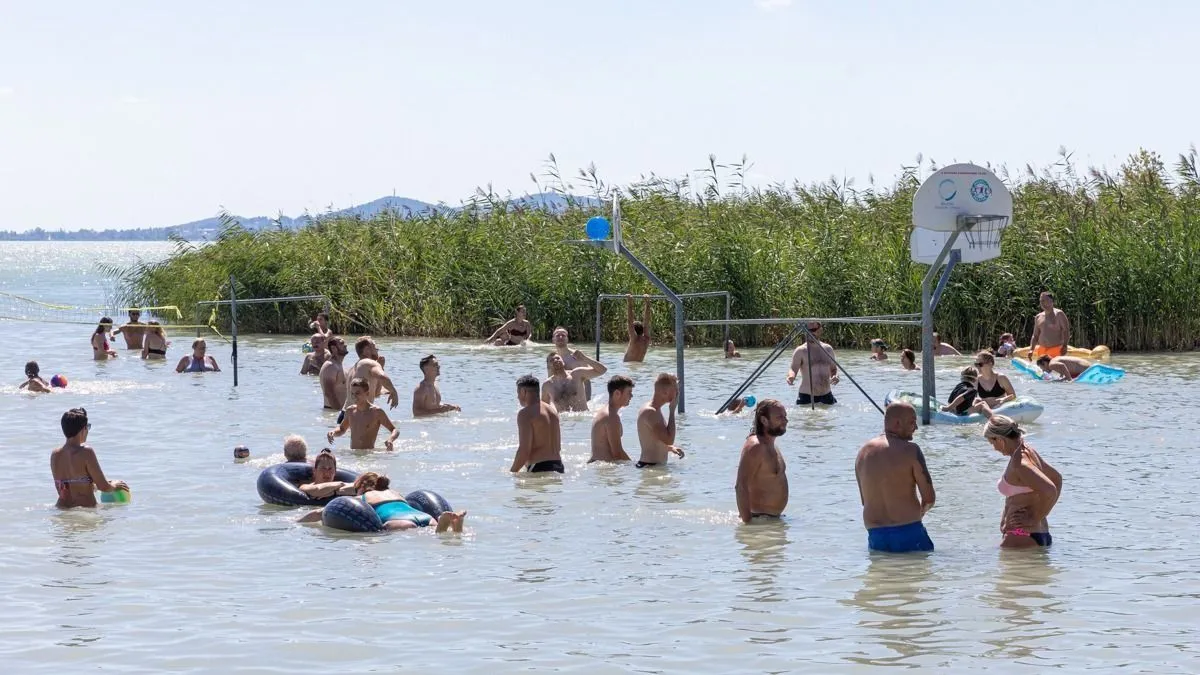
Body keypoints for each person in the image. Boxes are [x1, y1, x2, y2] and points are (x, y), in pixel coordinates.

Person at [854, 402, 935, 552]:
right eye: (912, 422)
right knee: (917, 574)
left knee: (885, 574)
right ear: (897, 423)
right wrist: (919, 514)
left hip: (876, 535)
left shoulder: (862, 454)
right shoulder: (911, 450)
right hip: (909, 530)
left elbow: (865, 501)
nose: (916, 427)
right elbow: (929, 499)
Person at [984, 415, 1062, 548]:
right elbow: (1057, 479)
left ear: (1000, 439)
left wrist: (1033, 518)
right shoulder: (1027, 451)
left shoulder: (1020, 464)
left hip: (1020, 535)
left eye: (992, 443)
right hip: (1037, 533)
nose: (994, 448)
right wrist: (1038, 515)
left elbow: (1050, 490)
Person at [299, 471, 466, 532]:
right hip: (424, 516)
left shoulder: (363, 498)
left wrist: (297, 521)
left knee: (385, 531)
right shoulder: (395, 493)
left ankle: (444, 527)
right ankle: (449, 525)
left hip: (397, 522)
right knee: (432, 532)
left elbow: (321, 513)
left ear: (362, 488)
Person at [50, 407, 128, 508]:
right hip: (85, 510)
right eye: (88, 427)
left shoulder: (55, 454)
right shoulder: (86, 452)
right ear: (83, 429)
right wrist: (115, 485)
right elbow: (104, 487)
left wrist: (92, 485)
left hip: (62, 509)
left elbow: (64, 488)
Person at [735, 399, 789, 523]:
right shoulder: (755, 446)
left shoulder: (771, 445)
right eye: (780, 417)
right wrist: (748, 523)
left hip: (771, 521)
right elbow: (740, 486)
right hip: (758, 521)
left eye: (785, 416)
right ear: (764, 420)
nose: (785, 420)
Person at [327, 377, 399, 451]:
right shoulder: (350, 411)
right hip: (353, 454)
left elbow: (395, 430)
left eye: (357, 393)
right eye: (352, 393)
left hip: (368, 455)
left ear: (367, 393)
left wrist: (390, 440)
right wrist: (333, 432)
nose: (354, 396)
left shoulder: (376, 412)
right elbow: (342, 429)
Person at [511, 375, 564, 473]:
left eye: (518, 393)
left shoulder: (525, 414)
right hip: (559, 465)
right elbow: (558, 447)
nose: (517, 397)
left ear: (523, 392)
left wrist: (512, 472)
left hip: (539, 467)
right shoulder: (552, 411)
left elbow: (524, 451)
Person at [635, 373, 685, 468]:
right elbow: (669, 440)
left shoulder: (656, 409)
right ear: (665, 392)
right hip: (649, 467)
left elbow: (654, 440)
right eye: (676, 390)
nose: (678, 393)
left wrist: (670, 448)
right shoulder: (650, 412)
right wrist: (672, 411)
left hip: (654, 466)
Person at [787, 322, 839, 405]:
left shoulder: (828, 349)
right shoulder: (800, 350)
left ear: (820, 330)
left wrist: (835, 376)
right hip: (807, 396)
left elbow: (833, 369)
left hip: (827, 395)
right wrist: (791, 377)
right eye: (807, 330)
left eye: (813, 330)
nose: (810, 333)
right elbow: (793, 368)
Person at [589, 375, 634, 463]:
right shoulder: (611, 417)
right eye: (629, 392)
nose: (632, 396)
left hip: (598, 465)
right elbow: (617, 454)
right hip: (606, 470)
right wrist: (636, 467)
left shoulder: (605, 412)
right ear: (617, 393)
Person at [543, 351, 607, 412]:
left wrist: (584, 358)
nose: (556, 360)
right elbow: (544, 408)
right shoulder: (547, 385)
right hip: (563, 422)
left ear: (563, 361)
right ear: (548, 366)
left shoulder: (577, 374)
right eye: (552, 360)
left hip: (583, 419)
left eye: (558, 358)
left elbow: (603, 370)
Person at [347, 336, 399, 409]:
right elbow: (382, 377)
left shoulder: (354, 367)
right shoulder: (368, 363)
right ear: (367, 350)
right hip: (357, 414)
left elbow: (376, 394)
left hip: (346, 413)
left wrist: (381, 367)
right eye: (374, 347)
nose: (377, 349)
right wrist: (394, 392)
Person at [547, 327, 592, 401]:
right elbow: (550, 381)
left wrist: (587, 400)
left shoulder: (577, 356)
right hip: (562, 398)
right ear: (553, 339)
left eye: (563, 335)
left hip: (579, 398)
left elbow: (587, 380)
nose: (560, 337)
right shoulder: (551, 359)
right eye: (558, 335)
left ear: (567, 339)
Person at [1029, 291, 1070, 359]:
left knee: (1054, 368)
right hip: (1042, 350)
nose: (1042, 303)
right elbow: (1035, 335)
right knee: (1042, 369)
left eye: (1045, 300)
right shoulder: (1038, 317)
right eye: (1041, 301)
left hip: (1056, 349)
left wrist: (1065, 346)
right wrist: (1031, 349)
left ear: (1052, 301)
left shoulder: (1059, 314)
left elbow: (1066, 331)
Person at [320, 336, 349, 410]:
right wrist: (338, 413)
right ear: (333, 348)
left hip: (342, 411)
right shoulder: (330, 366)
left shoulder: (342, 365)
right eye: (342, 343)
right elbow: (329, 393)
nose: (345, 345)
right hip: (332, 411)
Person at [623, 294, 652, 362]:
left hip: (628, 366)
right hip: (640, 365)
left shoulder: (634, 339)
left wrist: (629, 302)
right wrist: (648, 303)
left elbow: (630, 322)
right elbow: (646, 323)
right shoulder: (646, 340)